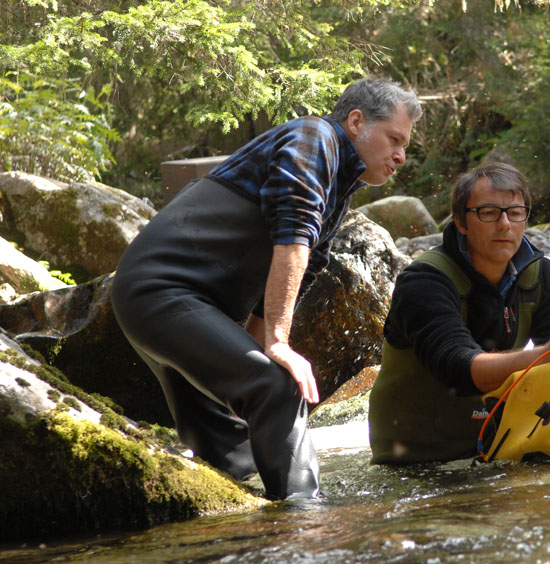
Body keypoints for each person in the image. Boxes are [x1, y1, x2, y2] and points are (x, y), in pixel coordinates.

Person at [111, 78, 421, 500]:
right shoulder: (314, 138)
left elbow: (307, 267)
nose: (401, 156)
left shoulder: (339, 181)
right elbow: (293, 238)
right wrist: (277, 344)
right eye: (394, 139)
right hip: (161, 293)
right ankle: (306, 521)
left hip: (166, 301)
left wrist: (258, 346)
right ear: (356, 122)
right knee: (279, 386)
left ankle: (247, 521)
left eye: (405, 145)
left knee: (227, 444)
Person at [368, 162, 550, 464]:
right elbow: (459, 371)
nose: (505, 224)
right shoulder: (423, 281)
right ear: (461, 221)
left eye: (515, 212)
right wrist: (546, 354)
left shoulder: (540, 274)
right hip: (417, 464)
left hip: (500, 450)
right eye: (489, 213)